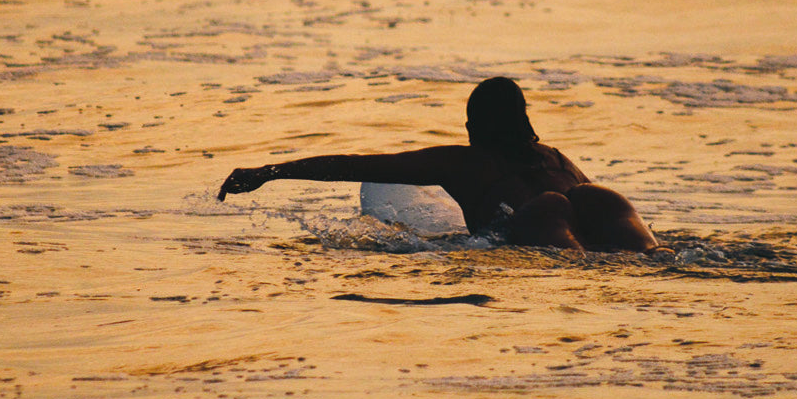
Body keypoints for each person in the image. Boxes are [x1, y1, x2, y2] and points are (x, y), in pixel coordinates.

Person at [216, 76, 659, 252]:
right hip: (608, 207)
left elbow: (358, 165)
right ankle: (660, 252)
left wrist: (269, 172)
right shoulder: (557, 158)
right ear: (524, 119)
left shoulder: (467, 164)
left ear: (474, 126)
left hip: (537, 227)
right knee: (606, 221)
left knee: (553, 227)